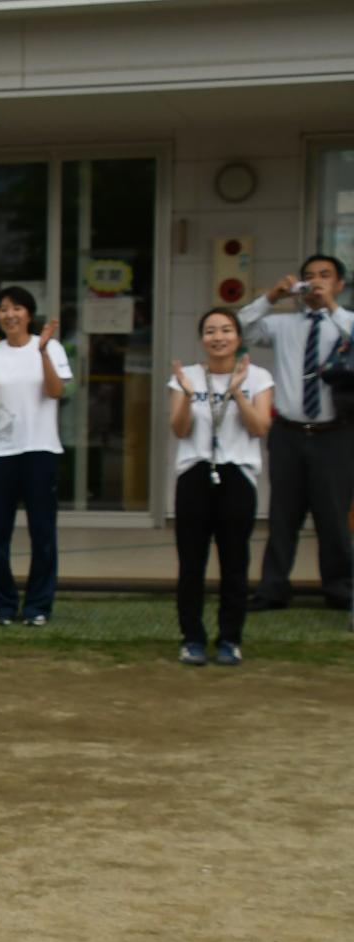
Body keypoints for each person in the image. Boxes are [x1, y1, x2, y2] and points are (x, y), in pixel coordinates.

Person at [239, 255, 354, 611]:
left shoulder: (346, 321)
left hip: (334, 434)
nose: (315, 283)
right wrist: (272, 296)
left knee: (333, 515)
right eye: (308, 277)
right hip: (288, 433)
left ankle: (339, 588)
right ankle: (273, 589)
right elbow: (241, 327)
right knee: (282, 515)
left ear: (340, 284)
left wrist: (331, 307)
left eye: (324, 276)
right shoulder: (283, 324)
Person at [169, 309, 274, 666]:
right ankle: (192, 638)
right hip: (195, 473)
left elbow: (260, 428)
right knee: (191, 564)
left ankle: (230, 639)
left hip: (237, 476)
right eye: (211, 331)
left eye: (226, 330)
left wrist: (237, 394)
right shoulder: (187, 377)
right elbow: (179, 430)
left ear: (238, 338)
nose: (218, 337)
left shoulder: (257, 377)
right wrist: (185, 394)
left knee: (234, 563)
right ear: (202, 339)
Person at [0, 286, 69, 626]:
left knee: (43, 532)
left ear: (28, 313)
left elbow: (55, 391)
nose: (10, 315)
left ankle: (38, 606)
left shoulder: (50, 347)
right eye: (3, 309)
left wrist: (41, 353)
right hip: (0, 453)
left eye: (17, 308)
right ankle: (1, 605)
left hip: (41, 450)